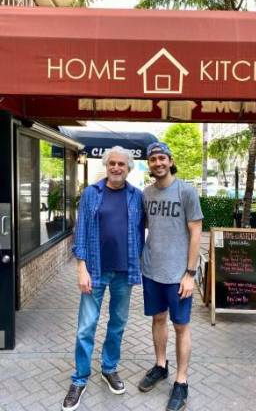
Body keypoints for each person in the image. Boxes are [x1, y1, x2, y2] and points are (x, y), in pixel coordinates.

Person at [62, 146, 144, 411]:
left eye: (121, 164)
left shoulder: (137, 197)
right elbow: (81, 232)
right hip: (95, 271)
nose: (116, 168)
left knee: (117, 324)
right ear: (106, 166)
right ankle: (79, 379)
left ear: (128, 168)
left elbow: (145, 230)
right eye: (112, 163)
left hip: (124, 271)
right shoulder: (91, 193)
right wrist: (81, 268)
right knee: (86, 327)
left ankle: (109, 368)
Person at [138, 142, 203, 411]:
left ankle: (181, 381)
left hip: (178, 275)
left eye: (161, 158)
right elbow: (141, 227)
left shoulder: (186, 191)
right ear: (149, 164)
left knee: (181, 326)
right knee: (158, 319)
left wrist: (190, 274)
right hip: (152, 270)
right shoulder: (146, 194)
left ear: (170, 160)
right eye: (152, 159)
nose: (157, 163)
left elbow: (196, 232)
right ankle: (161, 365)